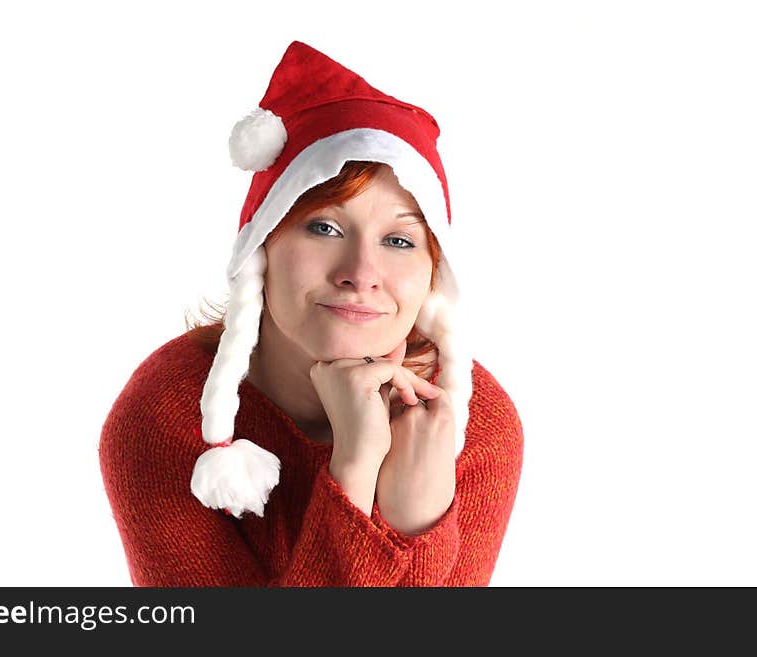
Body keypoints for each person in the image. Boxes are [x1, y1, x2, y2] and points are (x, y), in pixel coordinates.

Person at [98, 40, 524, 586]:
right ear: (263, 247)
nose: (362, 272)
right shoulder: (168, 416)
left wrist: (417, 515)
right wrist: (355, 470)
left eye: (399, 240)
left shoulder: (468, 426)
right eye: (324, 227)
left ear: (432, 274)